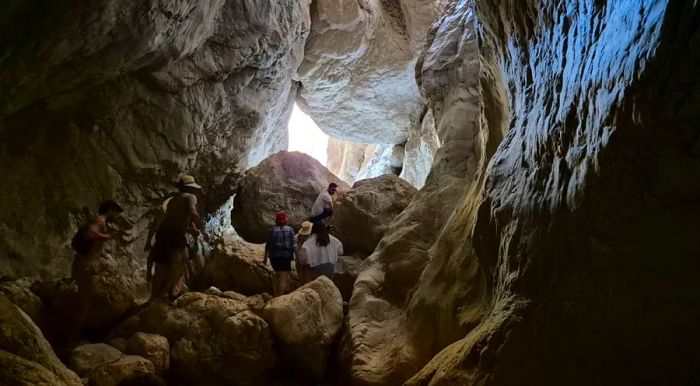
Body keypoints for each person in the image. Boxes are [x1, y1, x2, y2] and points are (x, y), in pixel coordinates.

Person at [70, 200, 124, 343]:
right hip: (85, 266)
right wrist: (108, 236)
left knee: (87, 302)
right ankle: (73, 338)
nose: (116, 216)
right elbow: (91, 234)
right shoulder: (100, 220)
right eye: (115, 212)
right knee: (84, 304)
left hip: (83, 263)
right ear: (110, 210)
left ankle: (80, 333)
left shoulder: (99, 221)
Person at [147, 175, 206, 301]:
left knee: (161, 266)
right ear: (190, 188)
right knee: (179, 264)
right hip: (175, 237)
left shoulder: (172, 199)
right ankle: (168, 293)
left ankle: (154, 296)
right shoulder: (190, 197)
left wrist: (148, 240)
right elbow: (193, 212)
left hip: (162, 235)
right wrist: (202, 229)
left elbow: (167, 221)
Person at [263, 212, 296, 296]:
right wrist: (295, 257)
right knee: (283, 278)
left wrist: (265, 258)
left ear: (276, 221)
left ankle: (275, 294)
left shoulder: (272, 230)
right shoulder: (290, 230)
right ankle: (279, 298)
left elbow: (268, 244)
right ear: (285, 221)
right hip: (285, 256)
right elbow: (293, 245)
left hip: (274, 257)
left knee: (276, 274)